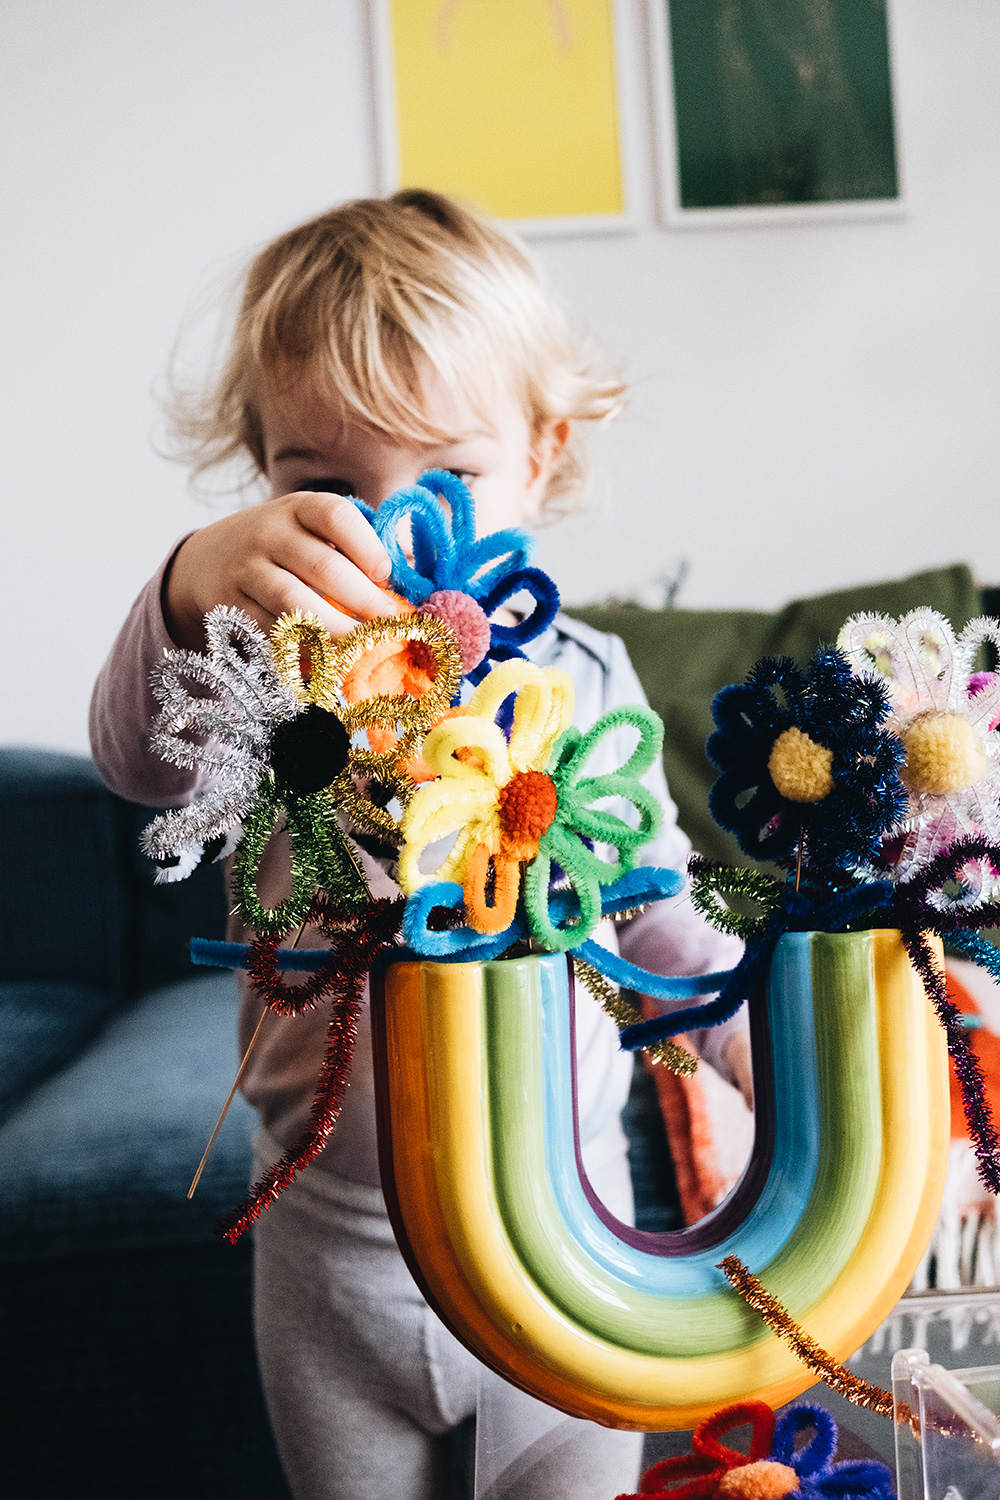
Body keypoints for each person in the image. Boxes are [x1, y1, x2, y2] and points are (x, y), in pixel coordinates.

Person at [90, 189, 748, 1500]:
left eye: (445, 477)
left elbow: (658, 915)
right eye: (322, 485)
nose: (384, 532)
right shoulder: (257, 671)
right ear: (259, 476)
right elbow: (132, 757)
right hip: (328, 1262)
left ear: (545, 456)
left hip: (564, 1250)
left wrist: (758, 1042)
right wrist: (186, 585)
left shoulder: (586, 682)